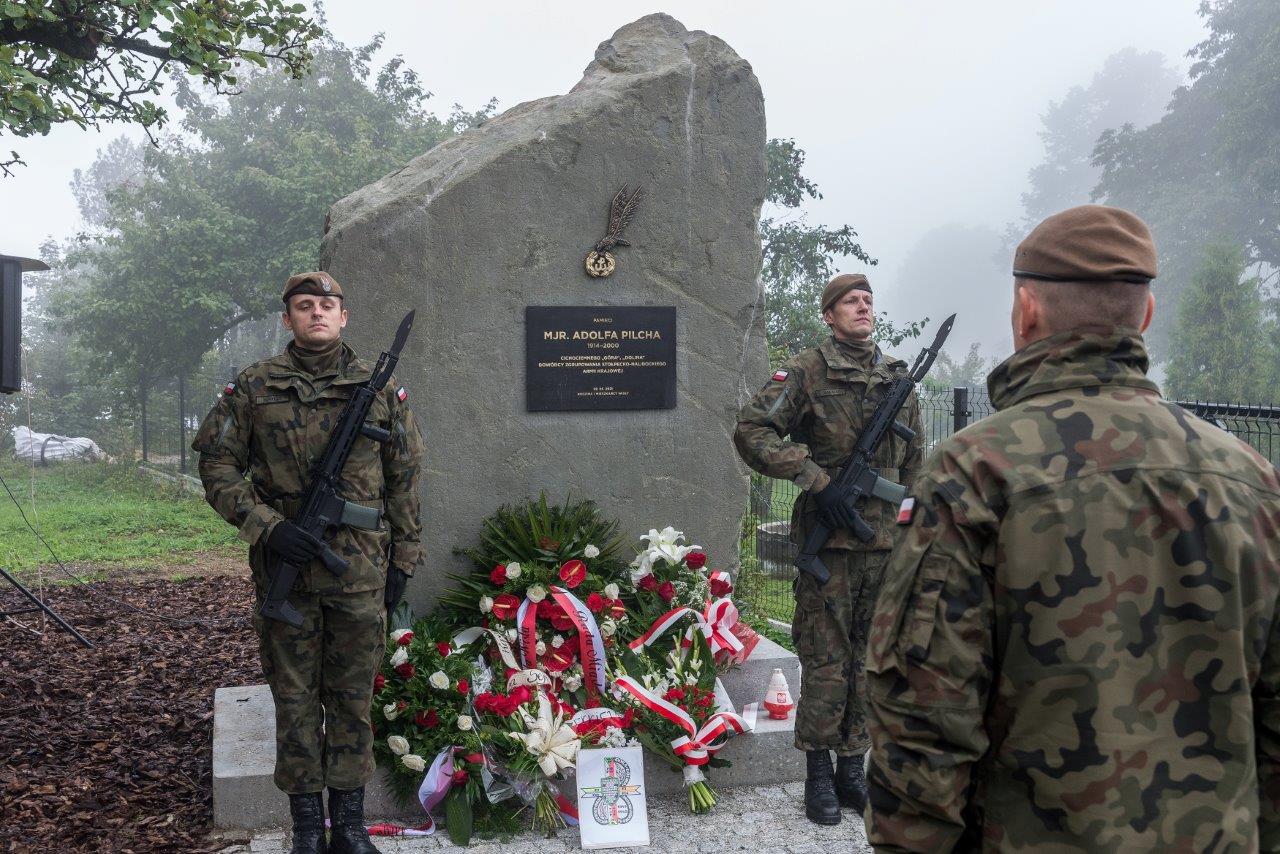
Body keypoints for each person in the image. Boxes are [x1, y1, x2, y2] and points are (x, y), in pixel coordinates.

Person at [864, 205, 1280, 851]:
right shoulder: (1251, 479)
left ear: (1025, 310)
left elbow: (923, 723)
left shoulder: (974, 473)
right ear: (1145, 315)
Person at [193, 272, 424, 854]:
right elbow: (217, 467)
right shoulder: (253, 387)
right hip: (285, 573)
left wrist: (405, 556)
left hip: (359, 571)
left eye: (326, 305)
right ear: (287, 318)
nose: (316, 313)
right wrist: (269, 527)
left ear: (343, 316)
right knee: (294, 702)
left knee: (352, 700)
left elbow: (404, 476)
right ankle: (305, 831)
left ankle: (348, 828)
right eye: (304, 305)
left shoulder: (378, 389)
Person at [734, 273, 923, 825]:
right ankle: (818, 775)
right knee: (825, 659)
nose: (863, 307)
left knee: (870, 659)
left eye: (868, 300)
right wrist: (817, 480)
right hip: (829, 547)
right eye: (850, 301)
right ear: (829, 315)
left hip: (883, 546)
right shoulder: (806, 370)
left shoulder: (897, 377)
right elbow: (752, 431)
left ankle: (852, 771)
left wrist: (913, 533)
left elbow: (915, 466)